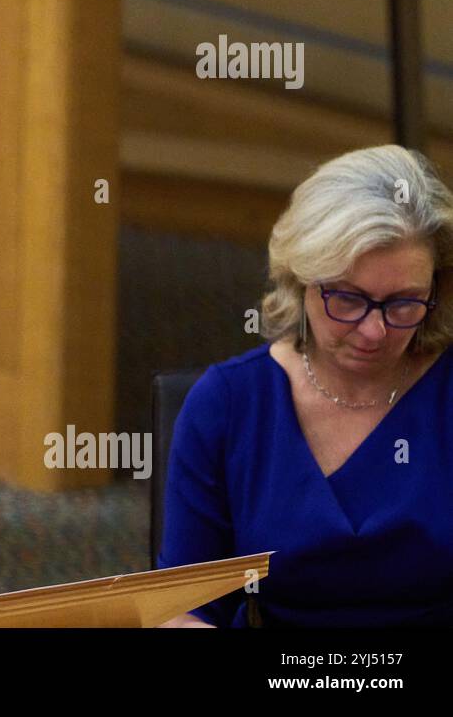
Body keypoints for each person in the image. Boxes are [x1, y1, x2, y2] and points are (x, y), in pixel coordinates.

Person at [159, 145, 453, 626]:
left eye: (404, 302)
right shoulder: (230, 404)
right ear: (300, 282)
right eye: (348, 299)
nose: (373, 331)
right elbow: (181, 610)